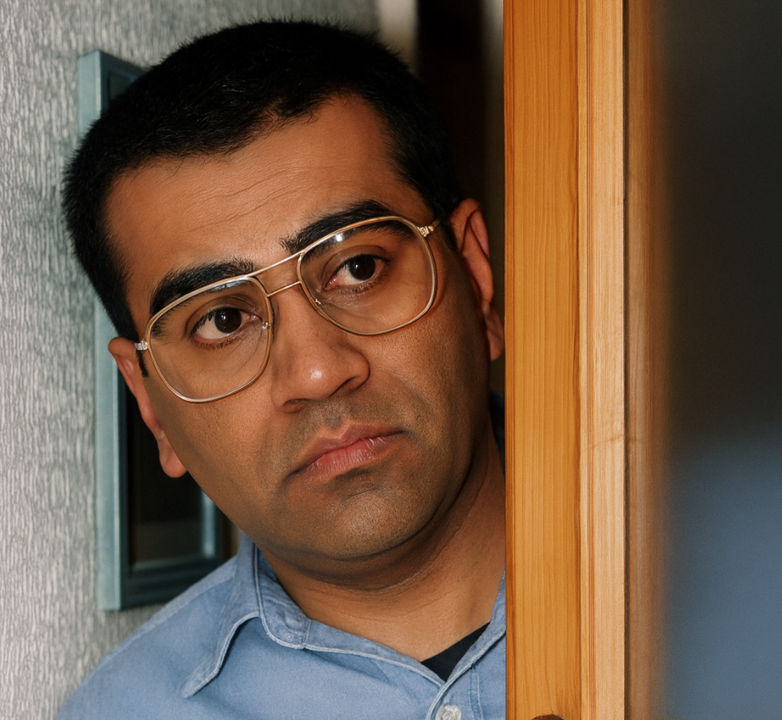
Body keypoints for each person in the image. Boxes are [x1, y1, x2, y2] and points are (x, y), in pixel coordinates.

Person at [57, 21, 506, 719]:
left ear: (475, 277)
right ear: (148, 404)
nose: (318, 372)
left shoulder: (693, 581)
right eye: (222, 320)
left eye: (359, 267)